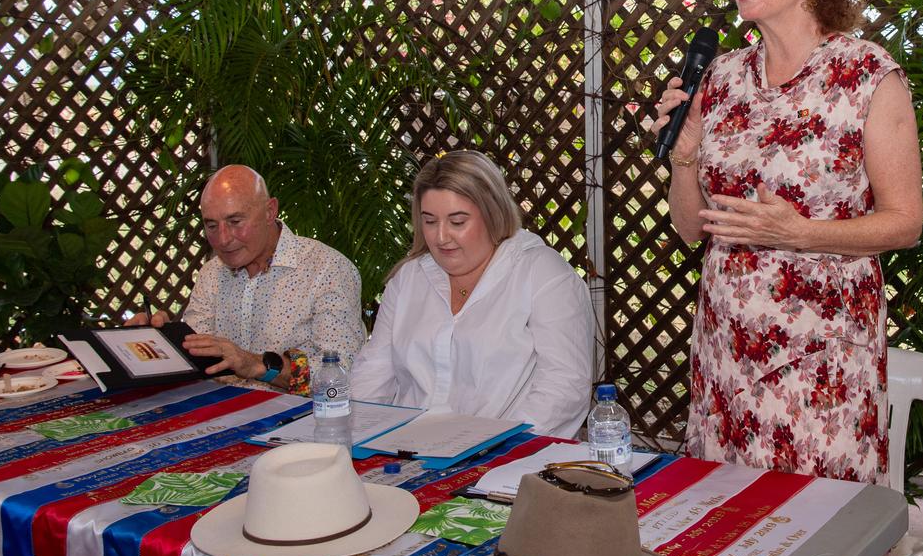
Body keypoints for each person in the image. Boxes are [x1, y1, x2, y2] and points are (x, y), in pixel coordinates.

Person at [649, 0, 922, 556]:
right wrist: (683, 152)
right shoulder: (721, 79)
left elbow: (905, 221)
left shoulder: (866, 75)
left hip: (821, 372)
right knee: (729, 549)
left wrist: (798, 232)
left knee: (819, 551)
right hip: (725, 368)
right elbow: (689, 230)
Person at [350, 150, 594, 438]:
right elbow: (373, 373)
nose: (441, 237)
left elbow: (564, 387)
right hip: (405, 451)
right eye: (429, 221)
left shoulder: (541, 273)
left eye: (457, 222)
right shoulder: (409, 278)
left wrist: (494, 447)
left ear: (493, 214)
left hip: (504, 461)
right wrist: (346, 432)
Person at [126, 165, 366, 395]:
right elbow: (198, 359)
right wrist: (159, 341)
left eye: (235, 222)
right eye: (211, 225)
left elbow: (341, 376)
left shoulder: (327, 270)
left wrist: (259, 366)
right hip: (222, 414)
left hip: (302, 423)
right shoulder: (212, 273)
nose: (223, 239)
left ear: (270, 212)